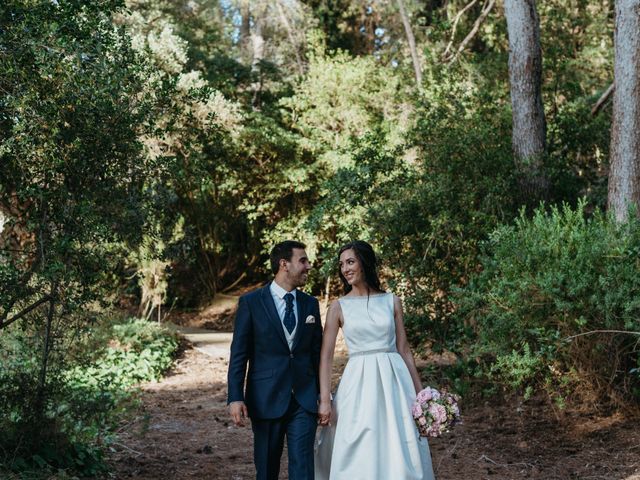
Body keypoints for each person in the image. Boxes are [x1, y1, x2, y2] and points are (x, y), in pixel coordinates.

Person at [315, 240, 435, 479]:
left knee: (400, 441)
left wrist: (422, 395)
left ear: (365, 263)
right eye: (341, 264)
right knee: (359, 442)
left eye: (350, 262)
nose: (345, 269)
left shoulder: (392, 301)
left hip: (395, 382)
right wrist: (326, 400)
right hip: (358, 383)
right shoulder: (338, 307)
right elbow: (326, 357)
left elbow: (404, 349)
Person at [227, 240, 323, 480]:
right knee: (267, 469)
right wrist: (235, 396)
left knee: (303, 470)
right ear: (284, 264)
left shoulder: (310, 304)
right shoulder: (251, 303)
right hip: (265, 398)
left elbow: (317, 354)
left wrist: (323, 396)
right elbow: (239, 353)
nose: (308, 266)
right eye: (303, 260)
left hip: (304, 399)